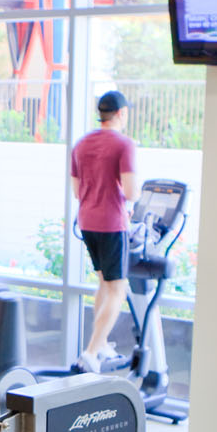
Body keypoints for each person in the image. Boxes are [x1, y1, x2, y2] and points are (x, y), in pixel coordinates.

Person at [70, 89, 140, 372]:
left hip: (87, 221)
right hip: (112, 223)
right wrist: (124, 200)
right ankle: (90, 352)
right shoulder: (124, 144)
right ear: (121, 114)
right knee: (118, 289)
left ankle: (101, 345)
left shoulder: (81, 144)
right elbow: (133, 190)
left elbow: (77, 191)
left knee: (104, 283)